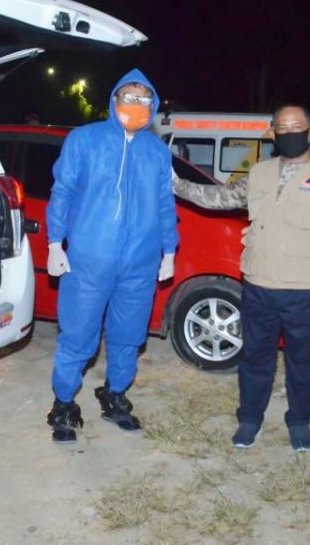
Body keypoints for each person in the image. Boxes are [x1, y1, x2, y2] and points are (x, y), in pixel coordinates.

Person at [173, 104, 310, 452]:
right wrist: (176, 185)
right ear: (273, 134)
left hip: (305, 289)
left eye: (296, 127)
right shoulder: (259, 173)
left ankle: (299, 420)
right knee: (254, 358)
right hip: (258, 284)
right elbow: (218, 198)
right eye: (282, 128)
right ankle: (250, 419)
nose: (289, 133)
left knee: (303, 363)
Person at [45, 69, 179, 444]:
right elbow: (63, 191)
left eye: (145, 100)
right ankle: (63, 404)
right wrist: (55, 242)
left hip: (140, 262)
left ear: (153, 105)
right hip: (89, 259)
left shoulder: (156, 151)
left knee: (128, 335)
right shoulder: (84, 140)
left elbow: (165, 204)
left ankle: (115, 395)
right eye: (130, 97)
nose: (137, 105)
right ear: (114, 99)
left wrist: (169, 250)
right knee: (77, 336)